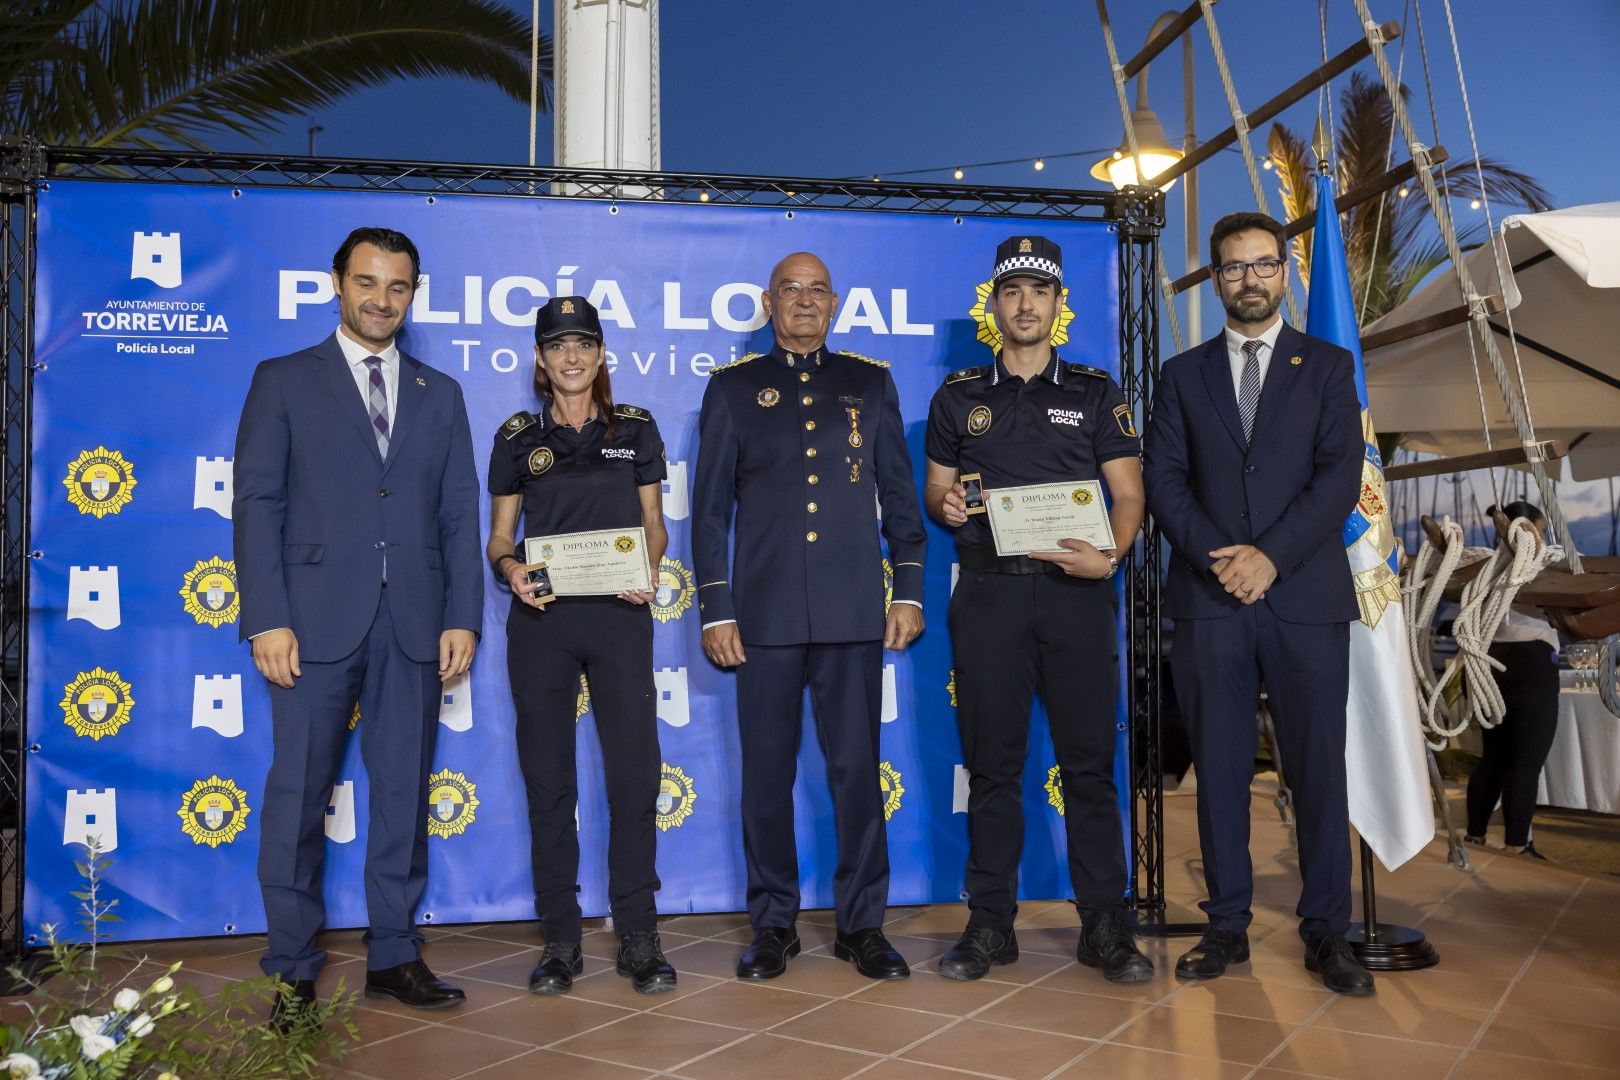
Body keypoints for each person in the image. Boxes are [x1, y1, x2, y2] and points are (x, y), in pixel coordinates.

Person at [233, 226, 483, 1021]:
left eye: (399, 287)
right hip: (307, 624)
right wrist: (266, 617)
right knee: (299, 795)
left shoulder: (439, 393)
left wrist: (463, 617)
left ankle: (394, 955)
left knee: (404, 797)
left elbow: (457, 513)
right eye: (368, 283)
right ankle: (292, 969)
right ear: (337, 283)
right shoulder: (282, 380)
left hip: (413, 623)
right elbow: (257, 505)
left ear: (414, 293)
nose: (383, 300)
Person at [1142, 211, 1373, 996]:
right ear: (1215, 280)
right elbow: (1165, 483)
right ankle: (1226, 927)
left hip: (1305, 597)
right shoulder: (1181, 375)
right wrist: (1228, 562)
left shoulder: (1330, 367)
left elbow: (1339, 477)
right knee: (1222, 770)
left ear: (1285, 272)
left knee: (1316, 771)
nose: (1249, 280)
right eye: (1233, 268)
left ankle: (1327, 933)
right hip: (1210, 599)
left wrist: (1270, 558)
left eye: (1263, 265)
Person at [691, 251, 927, 981]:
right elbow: (707, 515)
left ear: (835, 304)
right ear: (768, 303)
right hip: (761, 619)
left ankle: (863, 925)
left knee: (856, 770)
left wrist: (909, 590)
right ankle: (773, 925)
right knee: (765, 775)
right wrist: (715, 609)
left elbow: (901, 501)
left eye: (816, 290)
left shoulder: (869, 383)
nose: (803, 301)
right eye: (790, 290)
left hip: (853, 612)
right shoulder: (732, 389)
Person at [923, 235, 1151, 985]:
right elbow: (937, 491)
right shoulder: (958, 395)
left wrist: (1110, 558)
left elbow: (1128, 495)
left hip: (1078, 595)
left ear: (1059, 305)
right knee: (992, 768)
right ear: (995, 304)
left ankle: (1105, 927)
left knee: (1089, 769)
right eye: (1013, 291)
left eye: (1040, 292)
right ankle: (991, 926)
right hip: (988, 594)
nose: (1026, 304)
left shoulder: (1093, 390)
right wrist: (948, 502)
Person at [484, 296, 677, 995]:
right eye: (558, 345)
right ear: (540, 358)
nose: (572, 356)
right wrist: (510, 571)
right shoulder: (515, 438)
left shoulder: (638, 429)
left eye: (584, 344)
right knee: (550, 783)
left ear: (600, 356)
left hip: (621, 617)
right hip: (543, 625)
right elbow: (501, 537)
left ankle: (639, 936)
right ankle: (560, 940)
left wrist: (649, 565)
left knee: (634, 778)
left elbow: (654, 523)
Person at [1465, 501, 1560, 860]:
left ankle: (1475, 837)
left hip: (1492, 662)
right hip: (1533, 661)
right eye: (1543, 529)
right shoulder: (1546, 560)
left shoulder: (1489, 563)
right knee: (1525, 762)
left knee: (1493, 757)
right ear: (1531, 529)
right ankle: (1518, 845)